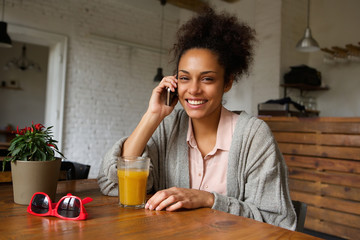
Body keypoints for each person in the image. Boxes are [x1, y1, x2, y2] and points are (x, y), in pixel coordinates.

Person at [98, 7, 296, 230]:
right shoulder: (169, 126)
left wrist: (208, 199)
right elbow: (112, 182)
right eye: (184, 78)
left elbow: (277, 220)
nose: (193, 89)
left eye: (207, 79)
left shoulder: (253, 136)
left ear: (228, 82)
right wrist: (152, 115)